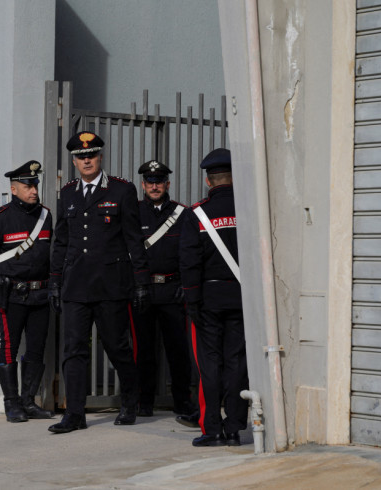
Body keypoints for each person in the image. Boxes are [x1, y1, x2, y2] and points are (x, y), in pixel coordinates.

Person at [48, 131, 151, 434]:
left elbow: (134, 240)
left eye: (91, 154)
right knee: (74, 351)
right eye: (81, 156)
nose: (87, 160)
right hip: (76, 286)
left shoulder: (122, 190)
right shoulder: (67, 193)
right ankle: (75, 414)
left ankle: (131, 401)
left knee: (117, 347)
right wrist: (55, 281)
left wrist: (142, 281)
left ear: (100, 157)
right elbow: (62, 241)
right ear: (74, 161)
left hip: (111, 285)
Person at [0, 160, 55, 423]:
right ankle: (11, 404)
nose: (34, 190)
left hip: (40, 294)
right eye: (28, 185)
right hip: (13, 294)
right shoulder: (0, 219)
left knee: (36, 348)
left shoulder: (45, 215)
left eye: (36, 185)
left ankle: (29, 402)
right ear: (14, 188)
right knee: (8, 346)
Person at [179, 148, 248, 446]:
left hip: (207, 299)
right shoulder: (248, 210)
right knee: (236, 363)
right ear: (235, 177)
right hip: (242, 297)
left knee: (209, 363)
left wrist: (192, 301)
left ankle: (212, 429)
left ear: (209, 181)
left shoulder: (197, 214)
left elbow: (189, 261)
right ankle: (234, 428)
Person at [132, 160, 197, 420]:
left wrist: (185, 283)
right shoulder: (134, 213)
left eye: (159, 181)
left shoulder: (183, 214)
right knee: (143, 350)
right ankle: (143, 401)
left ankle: (183, 402)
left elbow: (191, 252)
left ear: (167, 184)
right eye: (150, 181)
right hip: (143, 291)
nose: (155, 186)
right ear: (143, 185)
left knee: (178, 351)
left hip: (173, 290)